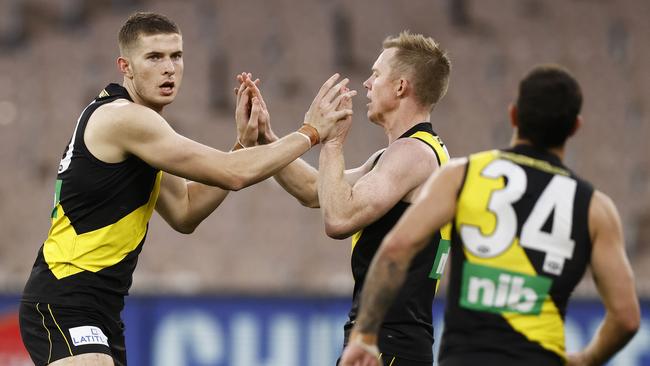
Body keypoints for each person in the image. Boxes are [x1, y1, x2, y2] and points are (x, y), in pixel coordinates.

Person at [18, 12, 355, 366]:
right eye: (154, 57)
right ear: (125, 66)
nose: (169, 68)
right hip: (65, 297)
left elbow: (185, 211)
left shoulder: (143, 128)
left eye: (176, 56)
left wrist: (242, 144)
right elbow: (231, 175)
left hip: (99, 309)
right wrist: (310, 132)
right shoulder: (126, 119)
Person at [339, 64, 640, 366]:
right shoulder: (594, 208)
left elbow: (395, 250)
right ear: (575, 127)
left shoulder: (463, 175)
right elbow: (626, 318)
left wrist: (365, 334)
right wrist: (585, 359)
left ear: (513, 116)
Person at [237, 31, 452, 365]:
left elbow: (338, 219)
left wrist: (332, 143)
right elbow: (315, 191)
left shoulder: (413, 154)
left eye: (377, 74)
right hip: (389, 341)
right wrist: (268, 139)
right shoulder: (401, 154)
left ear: (401, 86)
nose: (367, 83)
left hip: (390, 343)